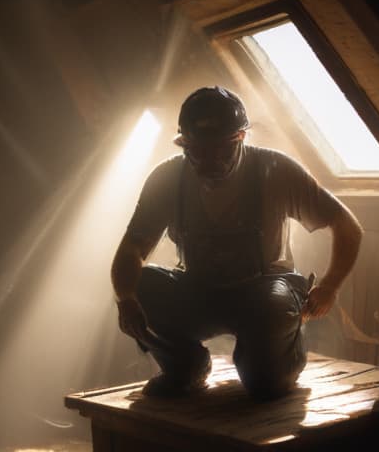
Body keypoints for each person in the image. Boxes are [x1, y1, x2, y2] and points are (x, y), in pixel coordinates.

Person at [111, 86, 363, 400]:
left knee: (266, 383)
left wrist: (330, 286)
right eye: (198, 151)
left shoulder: (275, 170)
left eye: (221, 150)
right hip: (199, 290)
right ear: (184, 143)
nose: (209, 161)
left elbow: (347, 227)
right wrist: (126, 300)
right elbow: (132, 248)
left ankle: (280, 360)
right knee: (141, 284)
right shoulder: (168, 178)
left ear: (240, 138)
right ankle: (184, 366)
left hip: (263, 293)